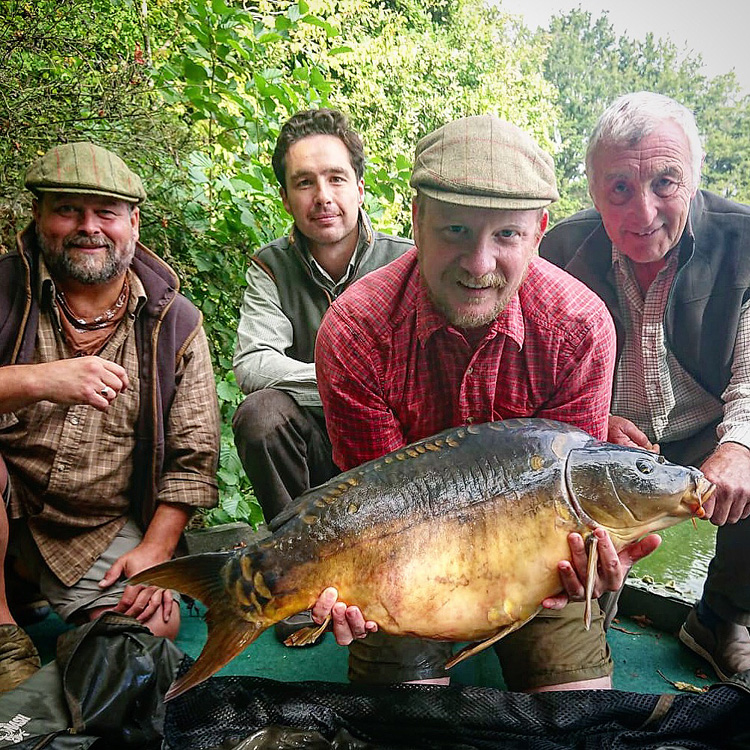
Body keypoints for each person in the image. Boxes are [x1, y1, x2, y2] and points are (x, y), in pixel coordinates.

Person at [310, 114, 658, 692]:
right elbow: (378, 511)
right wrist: (359, 588)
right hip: (406, 556)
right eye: (455, 231)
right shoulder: (355, 329)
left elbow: (574, 502)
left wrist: (592, 563)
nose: (478, 263)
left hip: (537, 569)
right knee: (409, 723)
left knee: (574, 719)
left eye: (506, 236)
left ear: (540, 231)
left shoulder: (581, 328)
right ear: (417, 220)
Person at [540, 91, 750, 681]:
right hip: (605, 436)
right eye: (620, 190)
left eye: (665, 182)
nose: (643, 212)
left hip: (706, 428)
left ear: (694, 182)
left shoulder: (744, 240)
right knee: (574, 589)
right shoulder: (559, 249)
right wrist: (595, 420)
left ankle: (720, 617)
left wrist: (738, 445)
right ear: (594, 191)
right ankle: (586, 609)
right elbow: (541, 368)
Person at [0, 142, 220, 692]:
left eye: (106, 213)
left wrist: (155, 550)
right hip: (7, 504)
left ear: (133, 223)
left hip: (93, 527)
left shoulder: (175, 324)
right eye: (68, 210)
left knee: (154, 624)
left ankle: (68, 634)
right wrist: (39, 380)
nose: (88, 227)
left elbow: (195, 458)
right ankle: (3, 631)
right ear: (39, 217)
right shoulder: (3, 293)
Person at [232, 108, 411, 524]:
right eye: (304, 183)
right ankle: (298, 548)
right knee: (260, 415)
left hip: (396, 450)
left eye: (335, 178)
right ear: (285, 198)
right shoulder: (271, 267)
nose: (323, 197)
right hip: (312, 450)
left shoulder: (406, 261)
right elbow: (253, 364)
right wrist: (348, 386)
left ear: (360, 188)